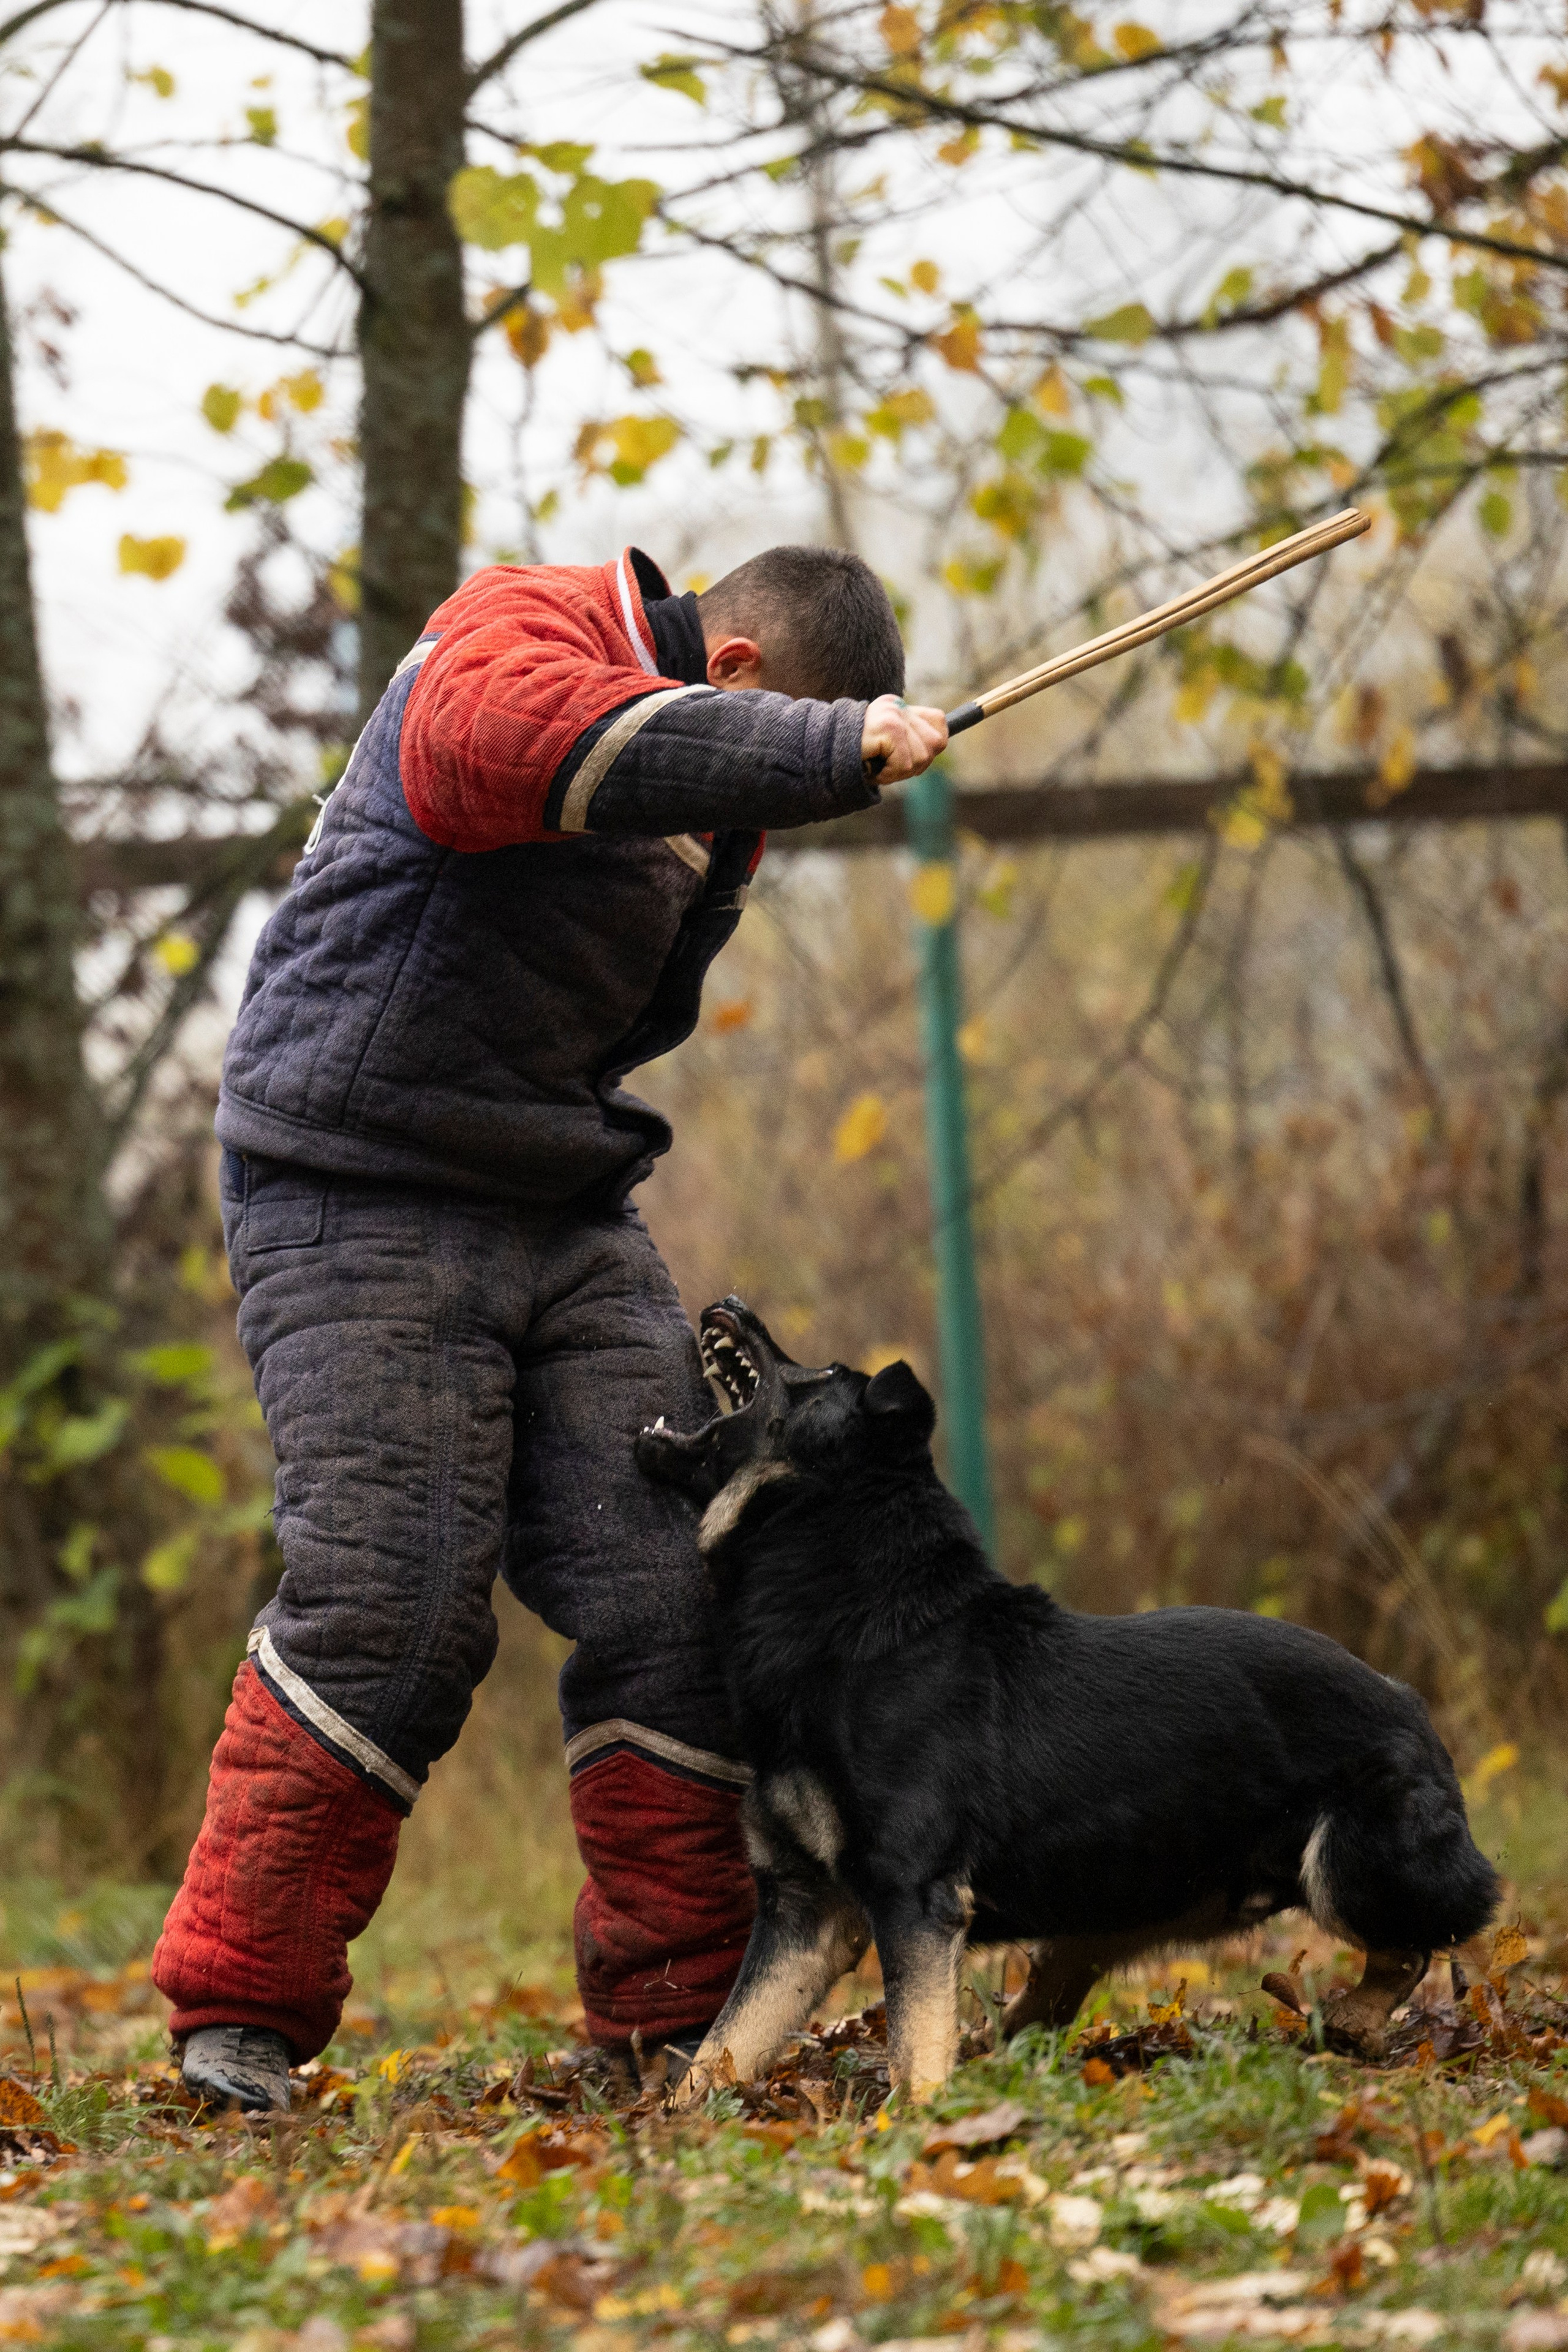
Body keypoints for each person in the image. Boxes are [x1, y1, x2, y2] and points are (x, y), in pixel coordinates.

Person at [149, 541, 949, 2111]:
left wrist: (801, 764)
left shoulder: (722, 811)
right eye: (760, 735)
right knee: (393, 1604)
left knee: (687, 1580)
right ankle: (236, 2018)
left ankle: (675, 2023)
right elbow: (486, 754)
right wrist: (821, 748)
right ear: (731, 674)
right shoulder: (518, 626)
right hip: (351, 1180)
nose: (757, 786)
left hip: (560, 1202)